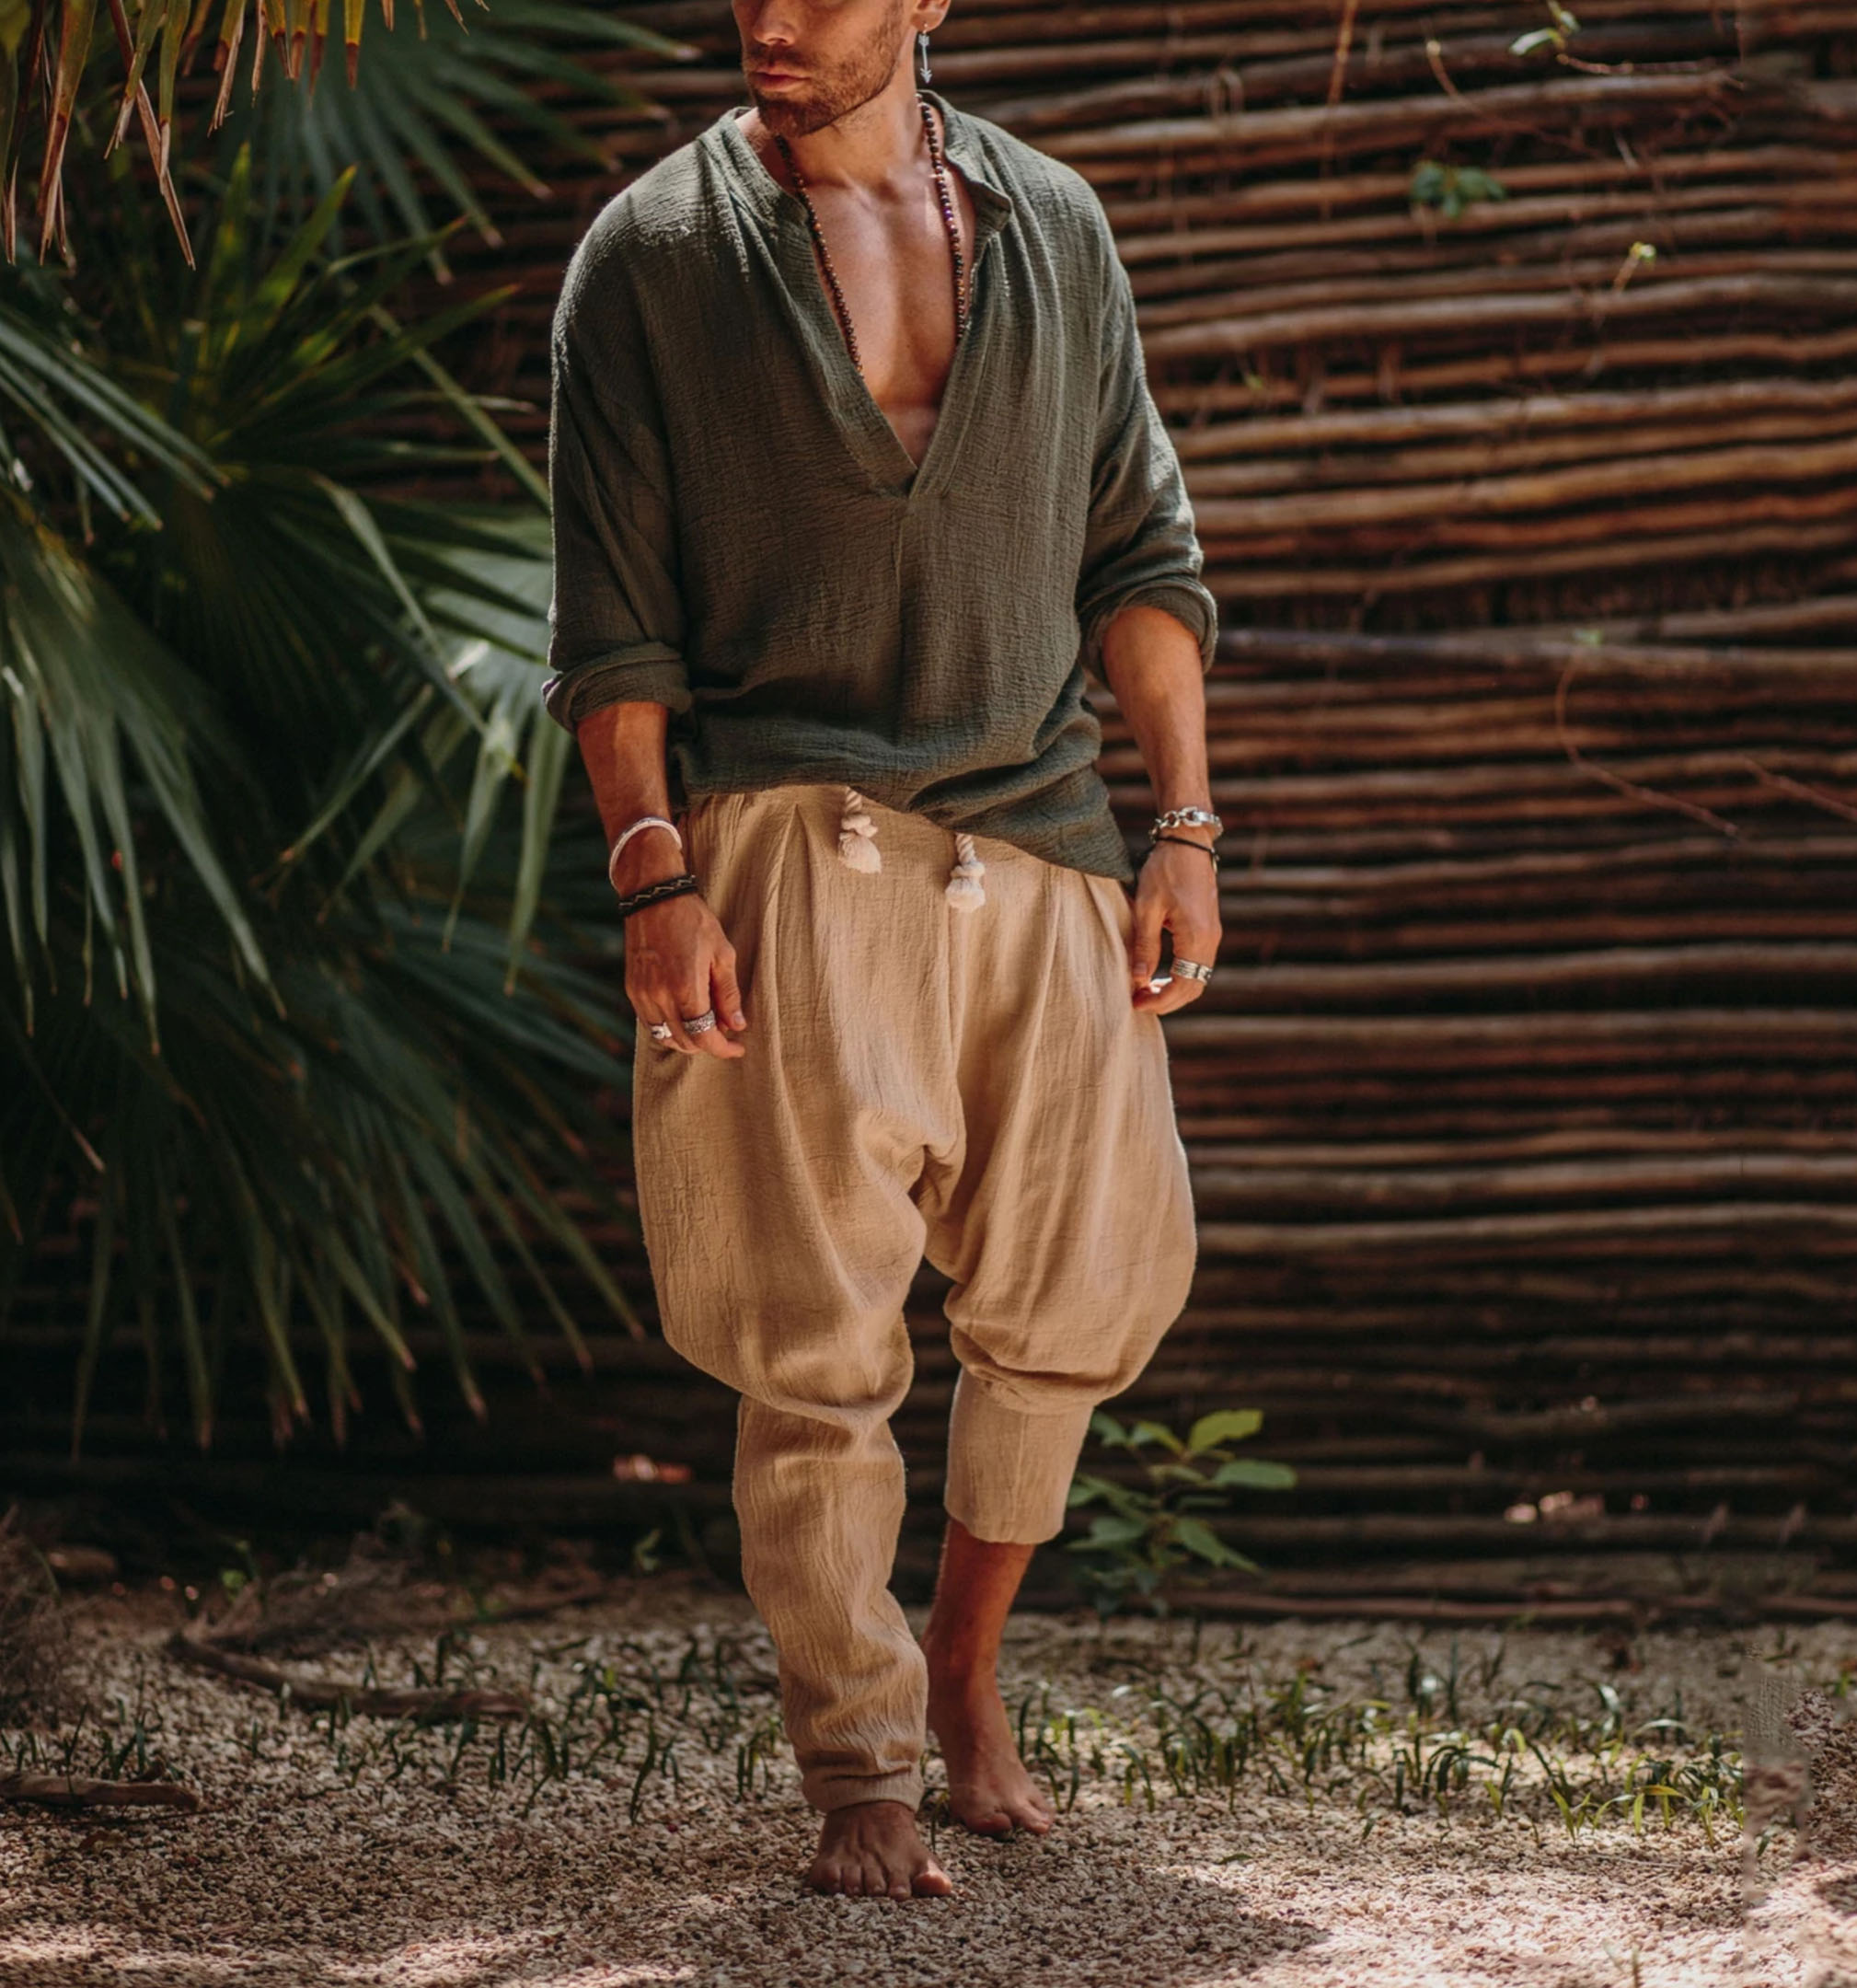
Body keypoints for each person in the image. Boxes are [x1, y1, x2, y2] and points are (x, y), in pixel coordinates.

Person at [541, 0, 1222, 1902]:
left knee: (1081, 1299)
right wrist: (654, 874)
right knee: (810, 1341)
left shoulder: (1055, 227)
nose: (776, 17)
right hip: (788, 840)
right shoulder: (653, 255)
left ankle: (966, 1671)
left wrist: (1183, 824)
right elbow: (613, 623)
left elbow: (1141, 554)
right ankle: (860, 1762)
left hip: (1047, 839)